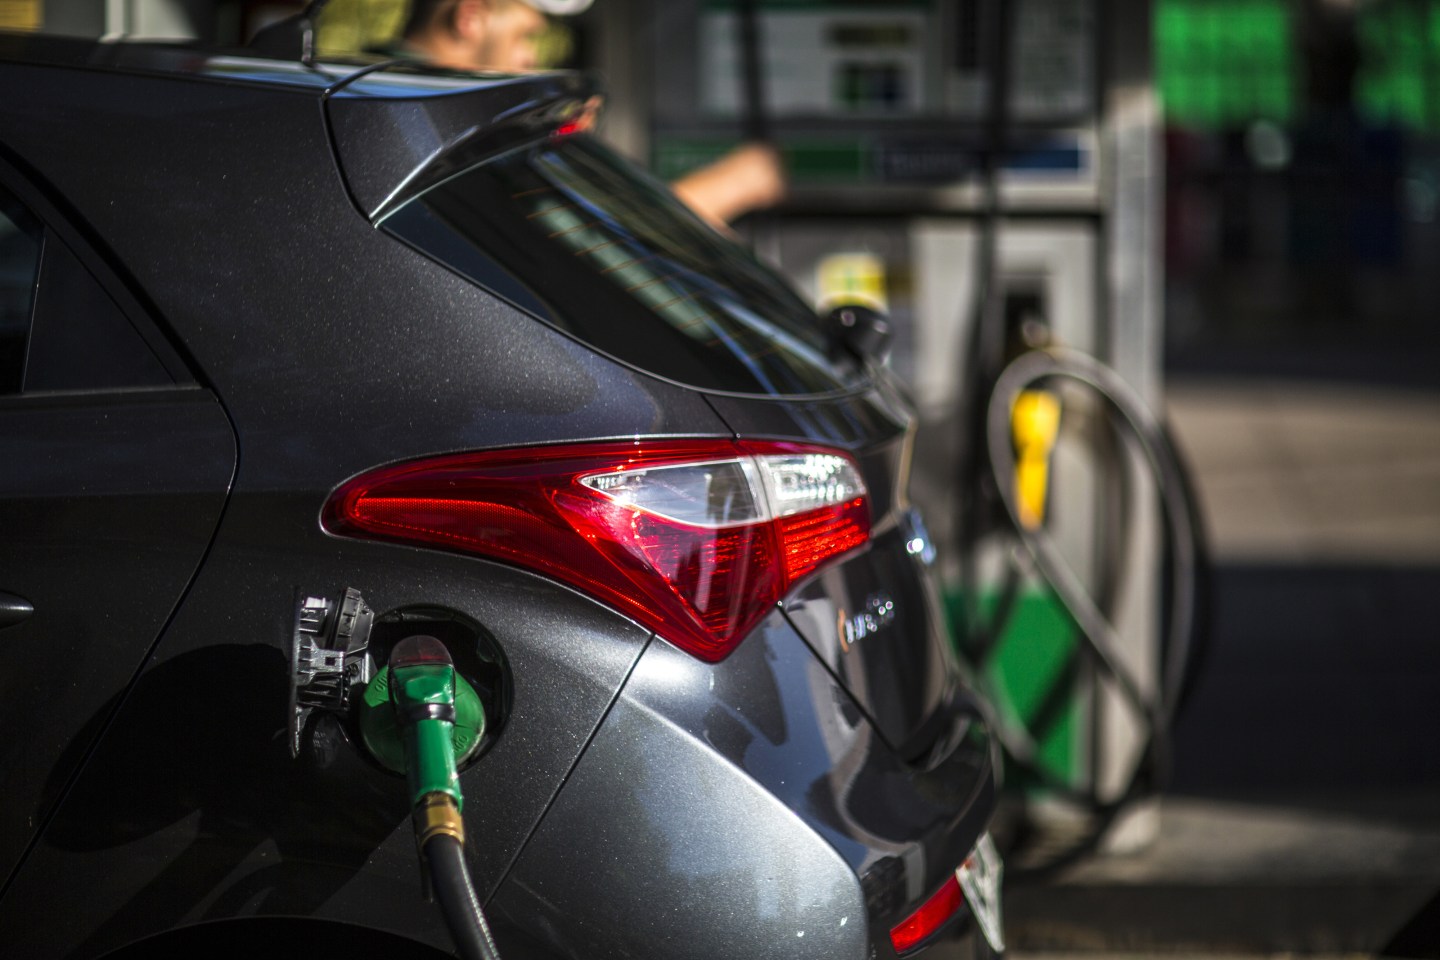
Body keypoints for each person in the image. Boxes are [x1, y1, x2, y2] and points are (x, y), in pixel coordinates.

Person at [394, 0, 785, 226]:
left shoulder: (398, 107)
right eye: (525, 35)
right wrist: (735, 184)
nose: (530, 59)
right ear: (470, 17)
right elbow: (595, 244)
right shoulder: (430, 130)